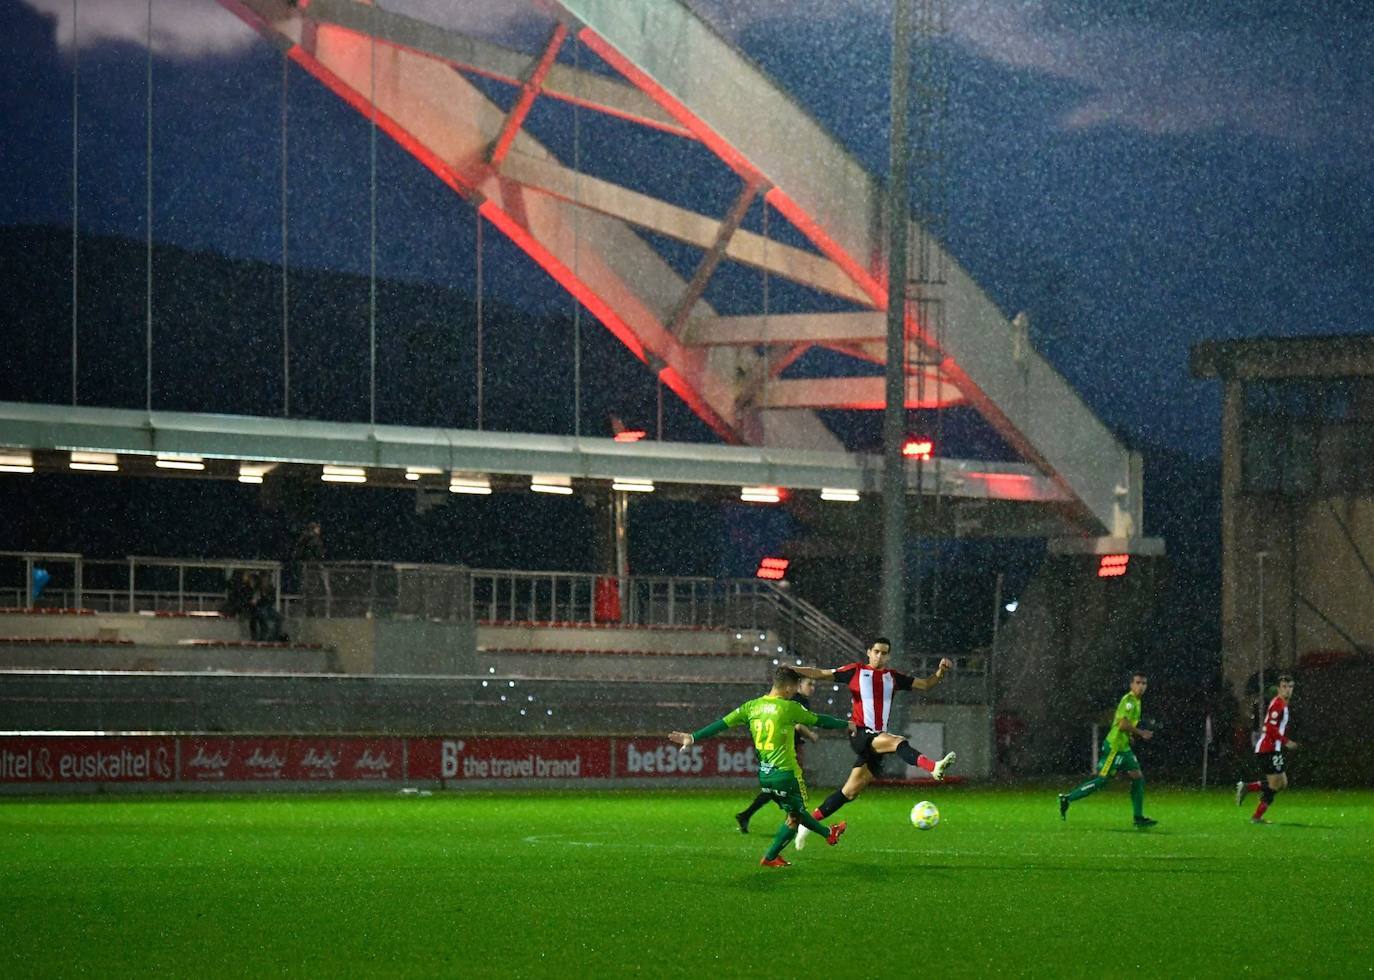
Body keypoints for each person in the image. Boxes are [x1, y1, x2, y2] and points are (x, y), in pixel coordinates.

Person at [669, 666, 854, 867]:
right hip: (787, 774)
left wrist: (693, 737)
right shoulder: (789, 707)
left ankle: (772, 856)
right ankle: (828, 834)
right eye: (795, 687)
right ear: (788, 688)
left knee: (794, 816)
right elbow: (821, 721)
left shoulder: (751, 707)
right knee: (797, 815)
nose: (794, 692)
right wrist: (847, 724)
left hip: (765, 775)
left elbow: (722, 723)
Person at [790, 637, 957, 849]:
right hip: (859, 734)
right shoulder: (855, 671)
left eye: (884, 653)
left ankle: (807, 823)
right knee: (898, 742)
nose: (880, 656)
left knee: (849, 792)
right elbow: (821, 673)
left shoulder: (893, 677)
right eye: (876, 651)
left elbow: (925, 684)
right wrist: (794, 669)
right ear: (868, 652)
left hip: (877, 738)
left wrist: (940, 672)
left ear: (889, 655)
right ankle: (933, 767)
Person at [1058, 671, 1158, 827]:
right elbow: (1123, 724)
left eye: (1144, 683)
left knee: (1138, 777)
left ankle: (1138, 817)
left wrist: (1129, 736)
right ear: (1131, 685)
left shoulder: (1137, 701)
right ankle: (1067, 798)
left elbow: (1121, 723)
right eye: (1138, 683)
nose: (1141, 686)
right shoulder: (1129, 701)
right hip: (1114, 748)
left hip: (1123, 747)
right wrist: (1141, 733)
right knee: (1101, 781)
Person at [734, 675, 819, 833]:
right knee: (789, 785)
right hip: (787, 749)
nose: (812, 688)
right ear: (799, 685)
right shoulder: (799, 701)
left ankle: (746, 815)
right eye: (810, 684)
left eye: (814, 684)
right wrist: (812, 735)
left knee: (774, 789)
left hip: (773, 746)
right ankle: (791, 824)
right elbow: (798, 725)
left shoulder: (787, 698)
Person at [1236, 675, 1297, 824]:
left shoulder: (1282, 704)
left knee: (1282, 783)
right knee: (1274, 785)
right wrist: (1286, 741)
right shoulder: (1278, 704)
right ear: (1278, 688)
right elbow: (1270, 727)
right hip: (1267, 749)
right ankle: (1256, 816)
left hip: (1272, 749)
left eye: (1290, 687)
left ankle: (1248, 787)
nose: (1287, 690)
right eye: (1284, 687)